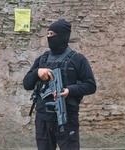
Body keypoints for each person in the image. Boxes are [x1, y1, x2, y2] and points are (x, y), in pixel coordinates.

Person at [23, 19, 96, 150]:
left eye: (52, 34)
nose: (49, 37)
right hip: (43, 119)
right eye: (48, 34)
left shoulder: (78, 59)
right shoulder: (42, 59)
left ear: (62, 36)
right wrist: (37, 72)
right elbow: (27, 84)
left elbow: (91, 85)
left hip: (67, 118)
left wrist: (69, 90)